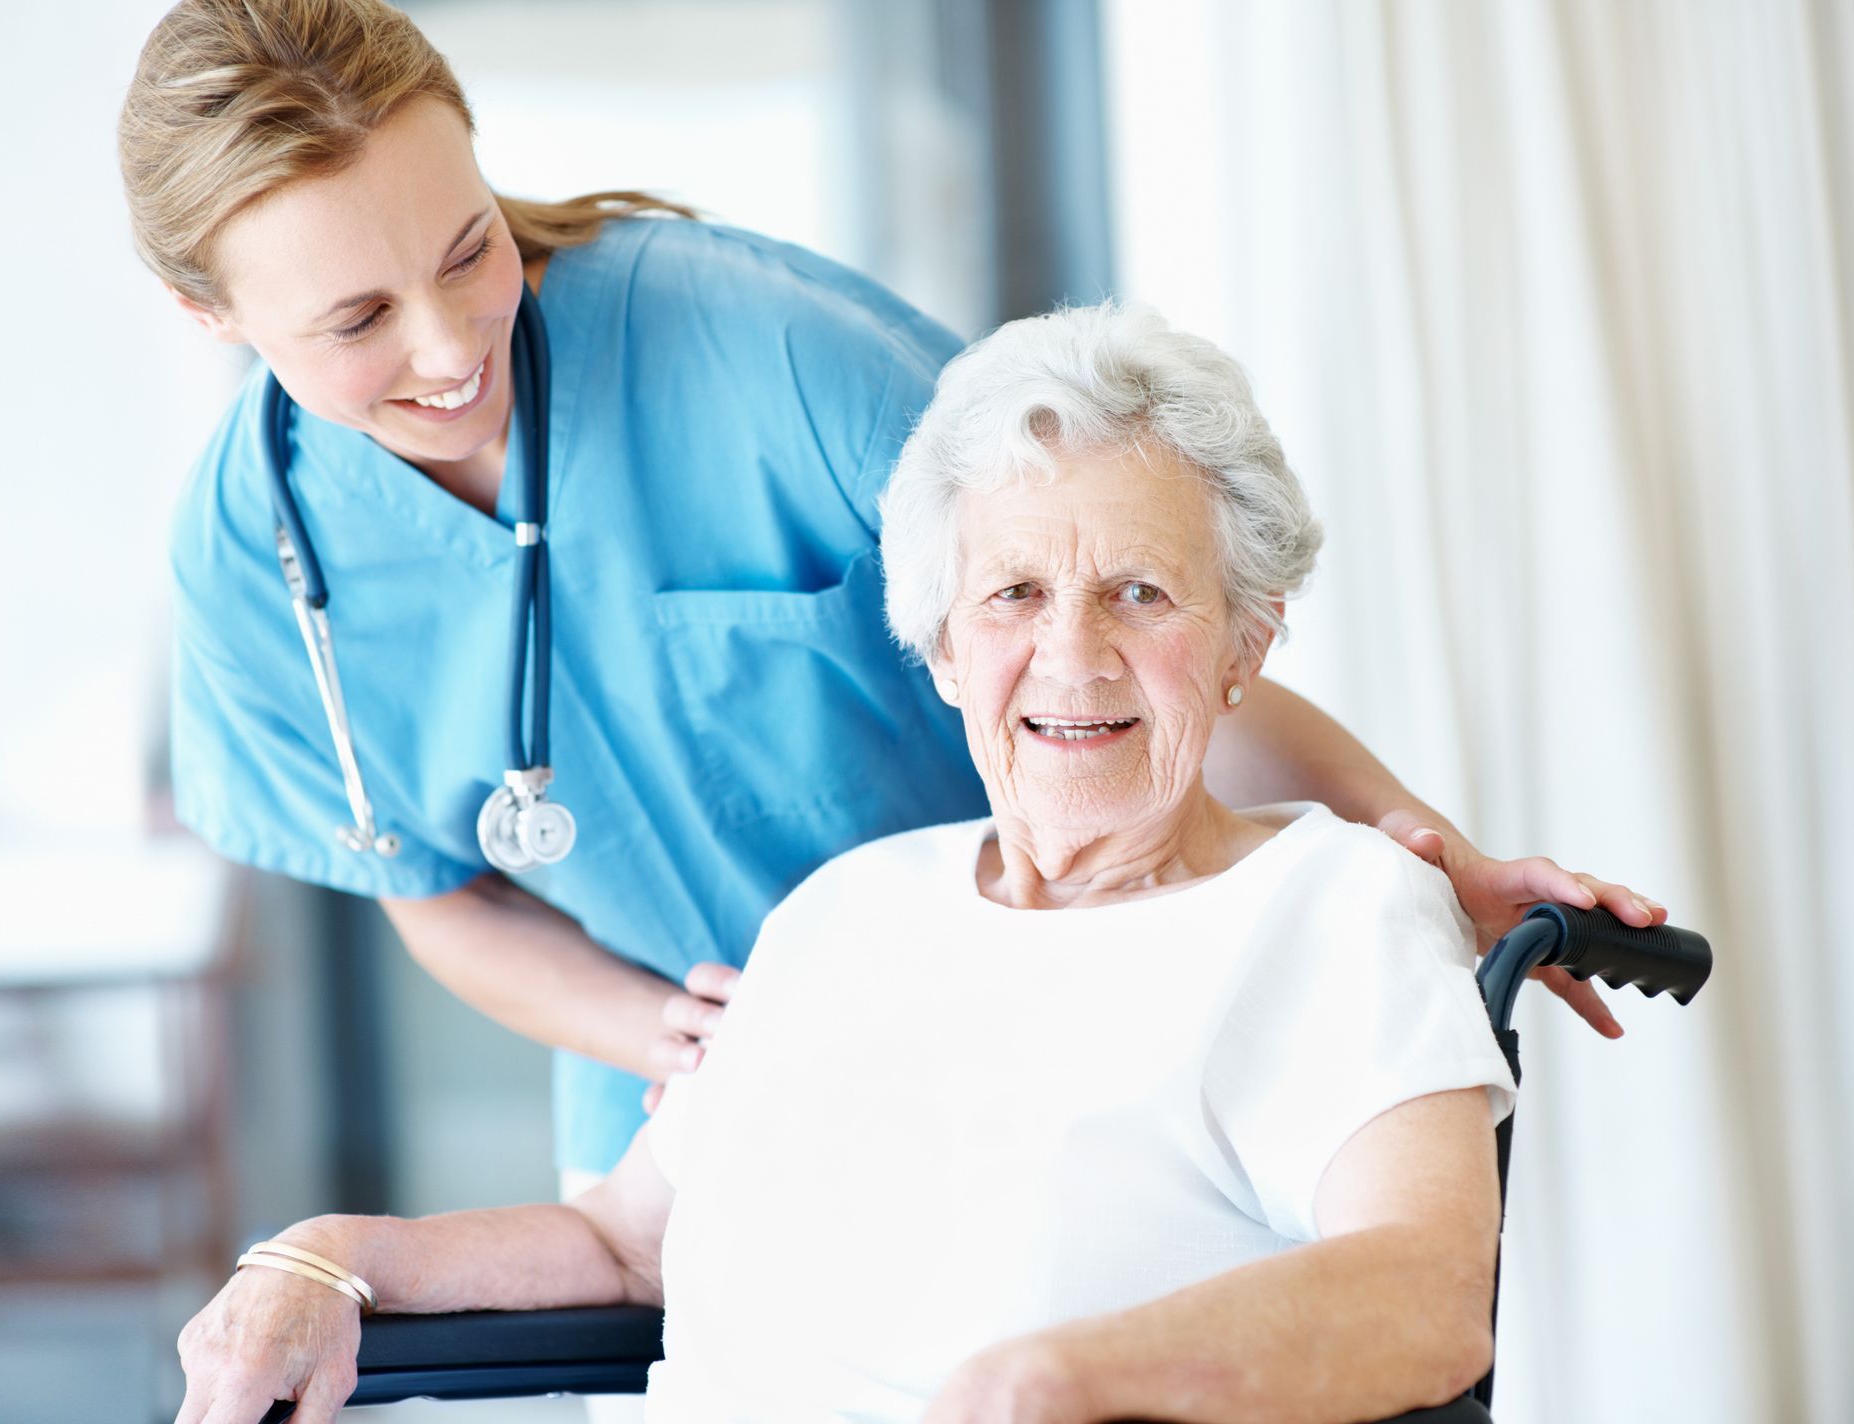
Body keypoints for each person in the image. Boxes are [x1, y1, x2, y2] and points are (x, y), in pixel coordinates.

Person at [121, 0, 1661, 1195]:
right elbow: (435, 895)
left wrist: (1425, 857)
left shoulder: (762, 350)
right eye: (356, 321)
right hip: (690, 1112)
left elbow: (1127, 654)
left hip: (1044, 1006)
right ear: (209, 315)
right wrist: (662, 1035)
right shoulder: (251, 567)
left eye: (470, 249)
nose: (452, 342)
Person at [176, 304, 1522, 1424]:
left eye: (1142, 592)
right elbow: (621, 1245)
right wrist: (336, 1256)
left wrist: (1056, 1379)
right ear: (941, 651)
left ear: (1247, 640)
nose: (1072, 655)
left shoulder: (1331, 909)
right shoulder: (847, 908)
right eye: (1013, 596)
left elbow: (1422, 1291)